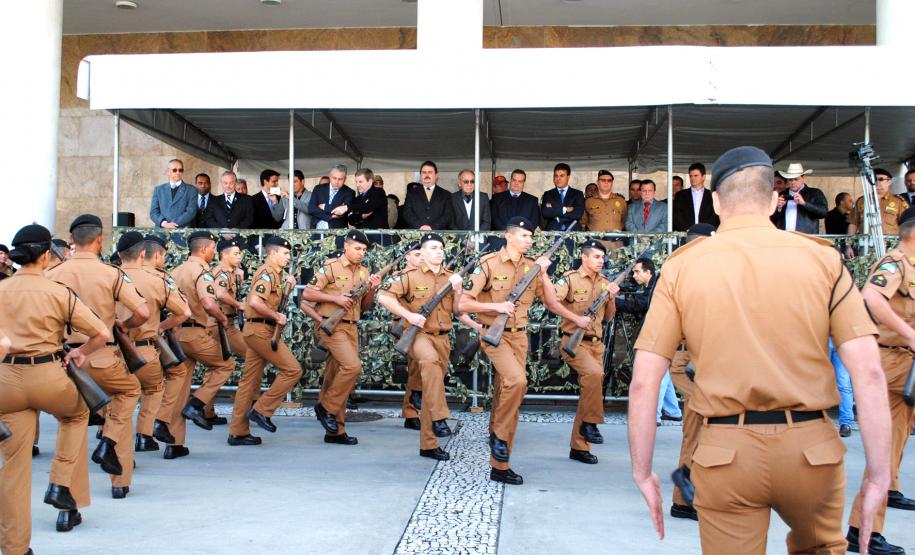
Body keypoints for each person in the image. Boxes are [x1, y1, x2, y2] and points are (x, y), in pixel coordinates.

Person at [628, 146, 891, 554]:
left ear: (716, 203)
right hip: (812, 449)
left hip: (726, 452)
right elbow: (869, 372)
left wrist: (643, 472)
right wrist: (878, 476)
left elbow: (645, 381)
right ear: (772, 201)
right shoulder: (823, 259)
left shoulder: (682, 266)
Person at [0, 224, 111, 552]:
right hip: (49, 374)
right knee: (77, 415)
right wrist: (79, 352)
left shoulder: (2, 288)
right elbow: (101, 333)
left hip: (8, 379)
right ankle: (60, 483)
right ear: (46, 255)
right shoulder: (58, 291)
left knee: (14, 468)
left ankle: (15, 547)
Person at [46, 214, 150, 501]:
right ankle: (118, 475)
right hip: (103, 355)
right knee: (127, 395)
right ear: (100, 240)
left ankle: (67, 496)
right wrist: (124, 327)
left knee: (71, 424)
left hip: (66, 360)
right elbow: (142, 312)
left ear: (72, 240)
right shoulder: (111, 273)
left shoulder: (52, 274)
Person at [458, 217, 557, 485]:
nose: (528, 240)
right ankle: (500, 437)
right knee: (517, 381)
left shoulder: (531, 266)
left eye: (530, 236)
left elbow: (551, 302)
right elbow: (463, 304)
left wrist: (543, 273)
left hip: (520, 337)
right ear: (508, 236)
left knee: (509, 390)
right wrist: (496, 307)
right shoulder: (488, 263)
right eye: (524, 235)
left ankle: (500, 467)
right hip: (494, 335)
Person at [845, 207, 915, 553]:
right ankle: (864, 530)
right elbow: (871, 298)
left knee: (894, 446)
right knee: (885, 449)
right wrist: (910, 335)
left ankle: (867, 523)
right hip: (894, 361)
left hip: (906, 363)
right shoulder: (895, 263)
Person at [378, 233, 465, 460]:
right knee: (429, 362)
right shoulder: (409, 276)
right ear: (422, 253)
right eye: (433, 248)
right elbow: (384, 297)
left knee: (432, 386)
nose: (439, 252)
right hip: (418, 335)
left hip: (442, 337)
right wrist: (409, 315)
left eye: (441, 248)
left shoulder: (451, 277)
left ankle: (428, 445)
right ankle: (440, 417)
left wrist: (458, 292)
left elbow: (458, 311)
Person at [153, 231, 235, 460]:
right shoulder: (201, 271)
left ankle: (174, 444)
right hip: (194, 333)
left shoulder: (175, 271)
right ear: (204, 249)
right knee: (226, 365)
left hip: (175, 334)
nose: (213, 253)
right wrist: (222, 317)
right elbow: (208, 304)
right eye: (213, 249)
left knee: (180, 389)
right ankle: (197, 405)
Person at [301, 230, 381, 445]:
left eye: (364, 250)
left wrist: (372, 289)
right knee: (352, 367)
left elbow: (365, 306)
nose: (361, 253)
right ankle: (325, 408)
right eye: (357, 248)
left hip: (351, 328)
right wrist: (335, 298)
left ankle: (335, 431)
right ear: (346, 246)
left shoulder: (364, 272)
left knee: (336, 376)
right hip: (331, 326)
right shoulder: (330, 267)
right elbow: (307, 293)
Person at [116, 232, 191, 457]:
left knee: (117, 395)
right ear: (143, 254)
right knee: (158, 384)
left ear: (119, 254)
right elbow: (184, 312)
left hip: (110, 350)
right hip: (143, 348)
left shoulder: (108, 276)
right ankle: (148, 431)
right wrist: (161, 326)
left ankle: (112, 440)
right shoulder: (158, 280)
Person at [545, 240, 620, 464]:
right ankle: (590, 423)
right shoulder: (569, 279)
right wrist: (576, 319)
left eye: (603, 257)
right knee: (594, 375)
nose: (601, 261)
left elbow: (608, 317)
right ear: (584, 257)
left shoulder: (605, 282)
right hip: (574, 342)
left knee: (590, 392)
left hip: (596, 345)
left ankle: (579, 447)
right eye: (596, 257)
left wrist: (612, 298)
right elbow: (551, 302)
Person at [227, 236, 303, 445]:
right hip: (261, 330)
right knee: (293, 370)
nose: (288, 257)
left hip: (257, 329)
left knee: (249, 383)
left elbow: (271, 300)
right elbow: (254, 301)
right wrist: (276, 316)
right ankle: (262, 410)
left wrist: (287, 288)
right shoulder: (268, 273)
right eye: (285, 253)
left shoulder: (275, 274)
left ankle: (237, 432)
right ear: (273, 253)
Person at [848, 168, 909, 236]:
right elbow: (853, 223)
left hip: (890, 241)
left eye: (881, 179)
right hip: (866, 240)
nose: (876, 182)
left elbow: (906, 224)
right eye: (873, 179)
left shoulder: (898, 202)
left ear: (889, 182)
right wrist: (850, 241)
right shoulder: (862, 200)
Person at [772, 163, 828, 234]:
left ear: (803, 178)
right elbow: (772, 219)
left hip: (806, 237)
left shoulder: (814, 192)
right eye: (790, 180)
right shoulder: (782, 194)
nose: (793, 182)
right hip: (785, 237)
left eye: (796, 179)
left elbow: (824, 213)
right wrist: (778, 208)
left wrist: (804, 203)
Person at [403, 161, 454, 231]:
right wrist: (420, 226)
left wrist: (432, 227)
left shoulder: (446, 194)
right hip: (417, 234)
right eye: (424, 172)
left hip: (438, 234)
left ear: (436, 175)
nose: (427, 175)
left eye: (430, 172)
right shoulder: (411, 193)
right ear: (420, 175)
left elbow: (448, 215)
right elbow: (407, 213)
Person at [149, 159, 197, 229]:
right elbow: (153, 212)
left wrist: (172, 224)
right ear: (168, 172)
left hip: (182, 231)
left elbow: (191, 212)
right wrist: (164, 223)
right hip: (162, 230)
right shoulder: (159, 190)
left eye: (180, 170)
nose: (178, 172)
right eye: (174, 170)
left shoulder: (191, 190)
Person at [671, 162, 719, 231]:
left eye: (696, 175)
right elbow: (677, 215)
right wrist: (687, 230)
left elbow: (715, 215)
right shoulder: (680, 195)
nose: (692, 178)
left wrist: (704, 230)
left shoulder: (712, 195)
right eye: (691, 176)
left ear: (703, 177)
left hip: (707, 233)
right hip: (686, 233)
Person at [308, 165, 355, 230]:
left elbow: (343, 212)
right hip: (317, 229)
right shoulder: (318, 189)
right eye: (334, 178)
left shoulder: (349, 192)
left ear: (345, 179)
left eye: (340, 179)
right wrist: (330, 216)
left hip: (338, 231)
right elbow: (311, 209)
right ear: (330, 176)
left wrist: (325, 207)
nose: (336, 182)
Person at [541, 163, 584, 231]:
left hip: (573, 230)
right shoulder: (548, 194)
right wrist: (565, 209)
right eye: (556, 176)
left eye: (562, 176)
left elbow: (578, 214)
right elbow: (546, 213)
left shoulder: (578, 194)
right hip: (553, 231)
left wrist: (555, 212)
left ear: (568, 177)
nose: (558, 179)